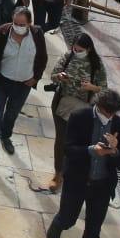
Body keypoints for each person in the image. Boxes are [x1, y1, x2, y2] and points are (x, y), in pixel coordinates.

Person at [46, 89, 120, 238]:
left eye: (113, 113)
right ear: (98, 107)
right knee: (68, 218)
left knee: (93, 230)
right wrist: (92, 151)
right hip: (77, 181)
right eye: (107, 112)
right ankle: (58, 224)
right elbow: (68, 149)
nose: (110, 116)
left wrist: (114, 151)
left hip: (102, 186)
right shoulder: (79, 117)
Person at [0, 6, 47, 174]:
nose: (18, 26)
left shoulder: (37, 34)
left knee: (11, 115)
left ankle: (6, 135)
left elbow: (42, 58)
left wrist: (35, 77)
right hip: (2, 82)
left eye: (22, 24)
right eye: (15, 23)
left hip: (23, 85)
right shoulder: (2, 32)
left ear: (29, 23)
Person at [48, 33, 108, 190]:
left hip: (83, 108)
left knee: (76, 142)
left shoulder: (96, 64)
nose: (76, 51)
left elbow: (104, 89)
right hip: (63, 103)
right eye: (74, 48)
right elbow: (53, 76)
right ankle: (58, 173)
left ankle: (73, 172)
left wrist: (91, 88)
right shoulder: (68, 57)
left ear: (88, 49)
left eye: (80, 49)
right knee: (61, 139)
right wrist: (59, 77)